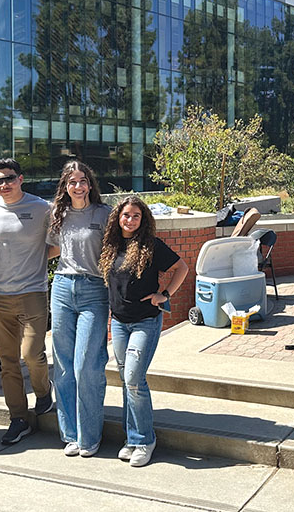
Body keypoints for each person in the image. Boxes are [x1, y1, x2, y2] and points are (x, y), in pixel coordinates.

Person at [100, 196, 187, 467]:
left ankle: (145, 440)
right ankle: (131, 438)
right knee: (127, 380)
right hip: (119, 323)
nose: (130, 220)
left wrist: (164, 294)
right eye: (126, 215)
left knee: (134, 379)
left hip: (145, 322)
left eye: (136, 216)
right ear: (118, 218)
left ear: (143, 219)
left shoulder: (151, 245)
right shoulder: (111, 246)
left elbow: (181, 268)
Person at [0, 158, 56, 445]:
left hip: (32, 293)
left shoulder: (41, 208)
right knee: (8, 361)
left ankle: (43, 391)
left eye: (9, 178)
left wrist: (35, 260)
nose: (4, 184)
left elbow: (59, 243)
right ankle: (18, 418)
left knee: (32, 354)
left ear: (21, 179)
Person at [47, 161, 112, 458]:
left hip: (94, 290)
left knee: (86, 364)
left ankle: (89, 435)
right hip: (61, 286)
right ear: (65, 186)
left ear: (90, 183)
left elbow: (117, 248)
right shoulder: (57, 214)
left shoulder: (103, 213)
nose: (78, 186)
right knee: (62, 365)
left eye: (82, 181)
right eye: (72, 182)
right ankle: (70, 433)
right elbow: (52, 250)